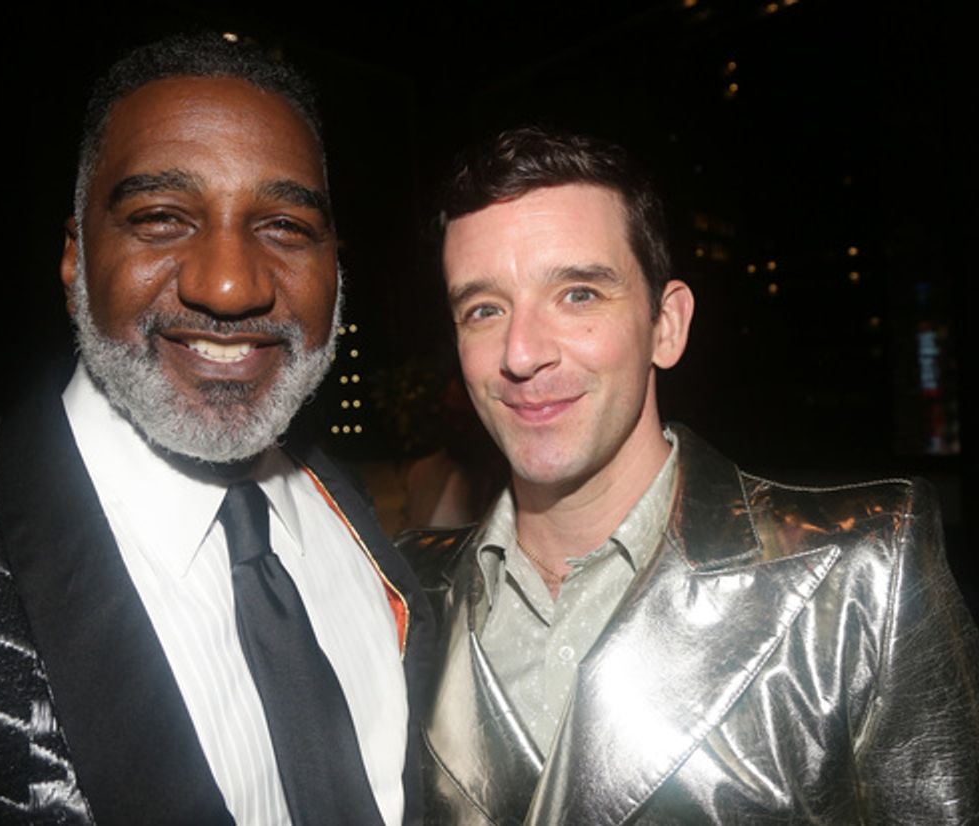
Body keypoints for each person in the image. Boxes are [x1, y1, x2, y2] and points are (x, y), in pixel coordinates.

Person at [0, 34, 433, 825]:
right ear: (75, 258)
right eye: (161, 218)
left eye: (286, 227)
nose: (230, 284)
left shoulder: (351, 519)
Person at [399, 126, 979, 824]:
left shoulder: (859, 575)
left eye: (579, 294)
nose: (521, 353)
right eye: (484, 309)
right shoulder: (398, 590)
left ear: (666, 325)